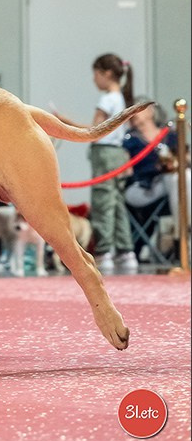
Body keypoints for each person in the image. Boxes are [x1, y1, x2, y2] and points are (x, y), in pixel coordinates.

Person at [53, 53, 139, 276]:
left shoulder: (106, 100)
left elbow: (94, 131)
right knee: (117, 202)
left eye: (96, 74)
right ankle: (125, 250)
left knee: (103, 201)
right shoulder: (121, 98)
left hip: (104, 153)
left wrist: (62, 121)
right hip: (118, 153)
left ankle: (103, 251)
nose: (94, 79)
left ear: (107, 74)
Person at [124, 99, 189, 264]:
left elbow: (185, 158)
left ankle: (181, 235)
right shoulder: (129, 139)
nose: (134, 114)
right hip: (141, 186)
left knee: (182, 176)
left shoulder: (170, 134)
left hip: (171, 184)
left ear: (150, 111)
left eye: (137, 109)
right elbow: (125, 171)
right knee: (177, 178)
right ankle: (183, 235)